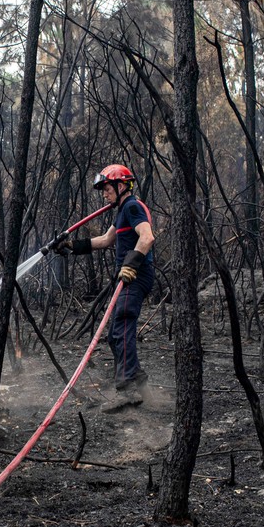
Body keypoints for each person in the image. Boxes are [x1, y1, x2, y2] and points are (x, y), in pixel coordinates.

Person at [57, 164, 156, 410]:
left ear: (121, 186)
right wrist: (71, 245)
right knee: (115, 334)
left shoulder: (132, 207)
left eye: (107, 188)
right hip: (129, 276)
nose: (104, 194)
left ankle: (127, 391)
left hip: (136, 276)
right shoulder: (122, 211)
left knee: (121, 327)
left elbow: (147, 237)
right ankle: (140, 384)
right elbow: (105, 240)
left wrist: (131, 264)